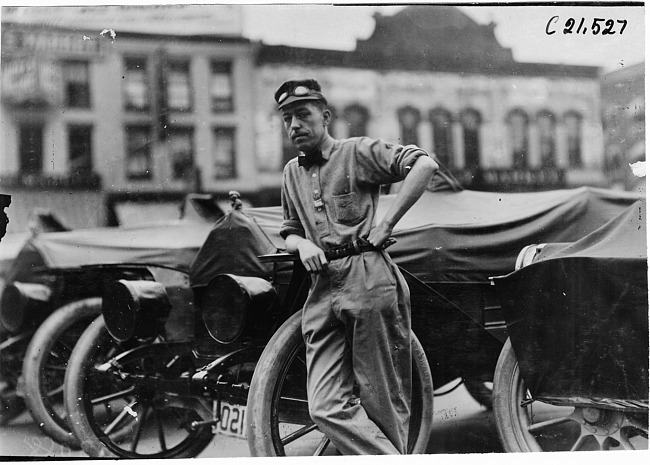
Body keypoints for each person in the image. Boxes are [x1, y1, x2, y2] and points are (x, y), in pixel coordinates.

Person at [276, 79, 438, 455]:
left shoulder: (356, 151)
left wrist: (386, 224)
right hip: (320, 291)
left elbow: (424, 164)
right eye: (287, 119)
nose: (294, 125)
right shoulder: (290, 173)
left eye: (303, 115)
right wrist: (300, 245)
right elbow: (288, 231)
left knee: (382, 403)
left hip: (367, 278)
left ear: (326, 116)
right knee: (324, 406)